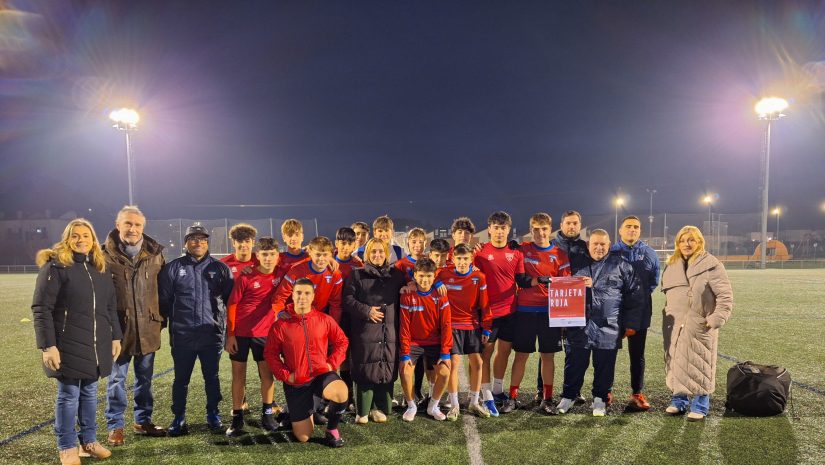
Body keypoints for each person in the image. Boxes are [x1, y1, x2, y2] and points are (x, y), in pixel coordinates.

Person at [33, 218, 122, 465]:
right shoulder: (56, 267)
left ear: (94, 239)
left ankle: (89, 442)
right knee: (69, 394)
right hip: (67, 344)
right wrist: (48, 346)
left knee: (91, 393)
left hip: (96, 345)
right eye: (75, 235)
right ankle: (67, 447)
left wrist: (116, 336)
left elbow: (110, 307)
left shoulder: (101, 268)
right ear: (67, 239)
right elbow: (41, 308)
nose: (81, 239)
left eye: (86, 235)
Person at [555, 229, 643, 417]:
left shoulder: (621, 265)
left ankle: (600, 399)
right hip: (578, 324)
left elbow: (635, 296)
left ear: (609, 245)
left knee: (605, 365)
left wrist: (631, 324)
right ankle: (569, 396)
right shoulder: (575, 263)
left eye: (603, 244)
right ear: (588, 245)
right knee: (574, 363)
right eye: (595, 243)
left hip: (608, 325)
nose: (599, 247)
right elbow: (559, 282)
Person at [159, 224, 233, 436]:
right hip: (183, 336)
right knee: (181, 379)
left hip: (211, 334)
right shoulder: (173, 268)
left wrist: (225, 330)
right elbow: (164, 301)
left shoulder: (220, 268)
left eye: (202, 239)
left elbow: (229, 301)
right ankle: (179, 417)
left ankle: (213, 414)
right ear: (186, 243)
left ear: (207, 242)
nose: (198, 242)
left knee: (212, 377)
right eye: (193, 238)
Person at [102, 206, 166, 446]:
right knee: (116, 380)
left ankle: (143, 421)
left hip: (148, 328)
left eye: (137, 225)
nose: (133, 229)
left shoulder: (156, 254)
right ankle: (115, 426)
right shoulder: (103, 254)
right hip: (118, 332)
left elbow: (164, 291)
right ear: (118, 225)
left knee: (145, 379)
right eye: (128, 224)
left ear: (143, 227)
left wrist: (161, 319)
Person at [264, 278, 349, 447]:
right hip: (297, 382)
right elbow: (270, 354)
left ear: (313, 297)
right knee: (303, 437)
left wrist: (332, 364)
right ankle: (297, 412)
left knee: (341, 391)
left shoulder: (324, 319)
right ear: (292, 296)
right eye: (298, 293)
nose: (302, 297)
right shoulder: (280, 325)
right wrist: (287, 376)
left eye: (307, 293)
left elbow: (342, 341)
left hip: (321, 375)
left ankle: (331, 431)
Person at [501, 213, 571, 414]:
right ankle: (512, 397)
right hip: (525, 311)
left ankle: (547, 399)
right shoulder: (522, 249)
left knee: (547, 356)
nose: (540, 233)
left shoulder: (560, 254)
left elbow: (565, 286)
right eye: (536, 229)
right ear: (530, 231)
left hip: (549, 313)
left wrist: (564, 317)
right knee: (521, 355)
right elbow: (502, 253)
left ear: (551, 230)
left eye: (544, 229)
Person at [661, 225, 733, 421]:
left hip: (700, 324)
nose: (687, 244)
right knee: (676, 363)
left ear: (700, 242)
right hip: (674, 325)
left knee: (700, 363)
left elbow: (725, 296)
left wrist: (716, 318)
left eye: (691, 240)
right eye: (683, 240)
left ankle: (700, 404)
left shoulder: (711, 264)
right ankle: (678, 401)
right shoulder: (672, 265)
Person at [343, 238, 408, 424]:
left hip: (390, 331)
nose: (377, 255)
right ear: (367, 254)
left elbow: (408, 290)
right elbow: (347, 300)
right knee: (365, 366)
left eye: (381, 251)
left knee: (386, 365)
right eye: (373, 252)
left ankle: (380, 407)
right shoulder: (357, 275)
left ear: (386, 254)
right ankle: (363, 410)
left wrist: (407, 287)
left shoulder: (396, 275)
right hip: (365, 331)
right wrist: (366, 311)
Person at [473, 211, 530, 416]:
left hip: (510, 311)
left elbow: (521, 280)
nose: (499, 231)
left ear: (508, 229)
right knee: (485, 354)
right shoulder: (479, 253)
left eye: (503, 228)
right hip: (487, 314)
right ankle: (486, 394)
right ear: (489, 229)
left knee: (504, 352)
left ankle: (498, 390)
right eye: (495, 227)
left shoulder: (516, 252)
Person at [224, 237, 282, 436]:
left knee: (267, 375)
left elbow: (300, 263)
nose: (268, 258)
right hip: (240, 333)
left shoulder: (281, 274)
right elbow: (232, 305)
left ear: (277, 256)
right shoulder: (246, 276)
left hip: (265, 334)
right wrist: (230, 335)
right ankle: (237, 418)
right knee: (238, 376)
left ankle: (267, 415)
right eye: (264, 254)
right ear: (257, 256)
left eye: (272, 254)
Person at [535, 210, 591, 401]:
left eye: (575, 223)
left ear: (580, 225)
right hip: (551, 304)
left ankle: (572, 391)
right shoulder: (551, 245)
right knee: (547, 351)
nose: (572, 226)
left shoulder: (586, 247)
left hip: (577, 306)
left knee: (574, 351)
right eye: (568, 223)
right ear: (561, 224)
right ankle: (541, 390)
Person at [610, 215, 660, 411]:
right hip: (614, 309)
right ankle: (606, 390)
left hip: (640, 310)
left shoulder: (649, 253)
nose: (632, 230)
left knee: (637, 354)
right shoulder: (611, 251)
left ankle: (637, 392)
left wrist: (637, 298)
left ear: (640, 231)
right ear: (620, 231)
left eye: (636, 227)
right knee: (608, 352)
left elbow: (654, 281)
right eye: (628, 226)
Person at [439, 244, 493, 420]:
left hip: (472, 325)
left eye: (465, 259)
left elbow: (484, 304)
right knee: (454, 363)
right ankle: (454, 405)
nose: (462, 262)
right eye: (459, 259)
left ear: (471, 259)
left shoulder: (479, 277)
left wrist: (486, 327)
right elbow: (430, 280)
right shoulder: (444, 275)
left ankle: (474, 402)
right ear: (453, 259)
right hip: (452, 326)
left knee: (477, 362)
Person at [399, 258, 453, 421]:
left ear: (434, 275)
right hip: (414, 342)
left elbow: (446, 325)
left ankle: (433, 406)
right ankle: (411, 405)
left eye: (429, 276)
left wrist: (445, 353)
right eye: (421, 275)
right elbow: (405, 327)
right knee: (405, 371)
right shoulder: (407, 296)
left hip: (434, 342)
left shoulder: (440, 295)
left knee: (444, 373)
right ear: (414, 275)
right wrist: (405, 353)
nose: (425, 279)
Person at [271, 236, 343, 323]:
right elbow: (280, 296)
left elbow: (336, 303)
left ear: (331, 255)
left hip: (319, 317)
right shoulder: (296, 270)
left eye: (325, 255)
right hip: (296, 317)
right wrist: (280, 311)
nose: (321, 259)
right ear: (310, 253)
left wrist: (333, 324)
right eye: (318, 254)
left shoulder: (335, 274)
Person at [334, 227, 364, 408]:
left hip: (355, 317)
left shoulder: (358, 264)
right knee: (340, 357)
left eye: (349, 244)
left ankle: (356, 395)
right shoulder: (329, 262)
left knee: (356, 355)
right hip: (336, 317)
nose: (345, 247)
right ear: (336, 243)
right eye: (342, 243)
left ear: (355, 245)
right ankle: (346, 397)